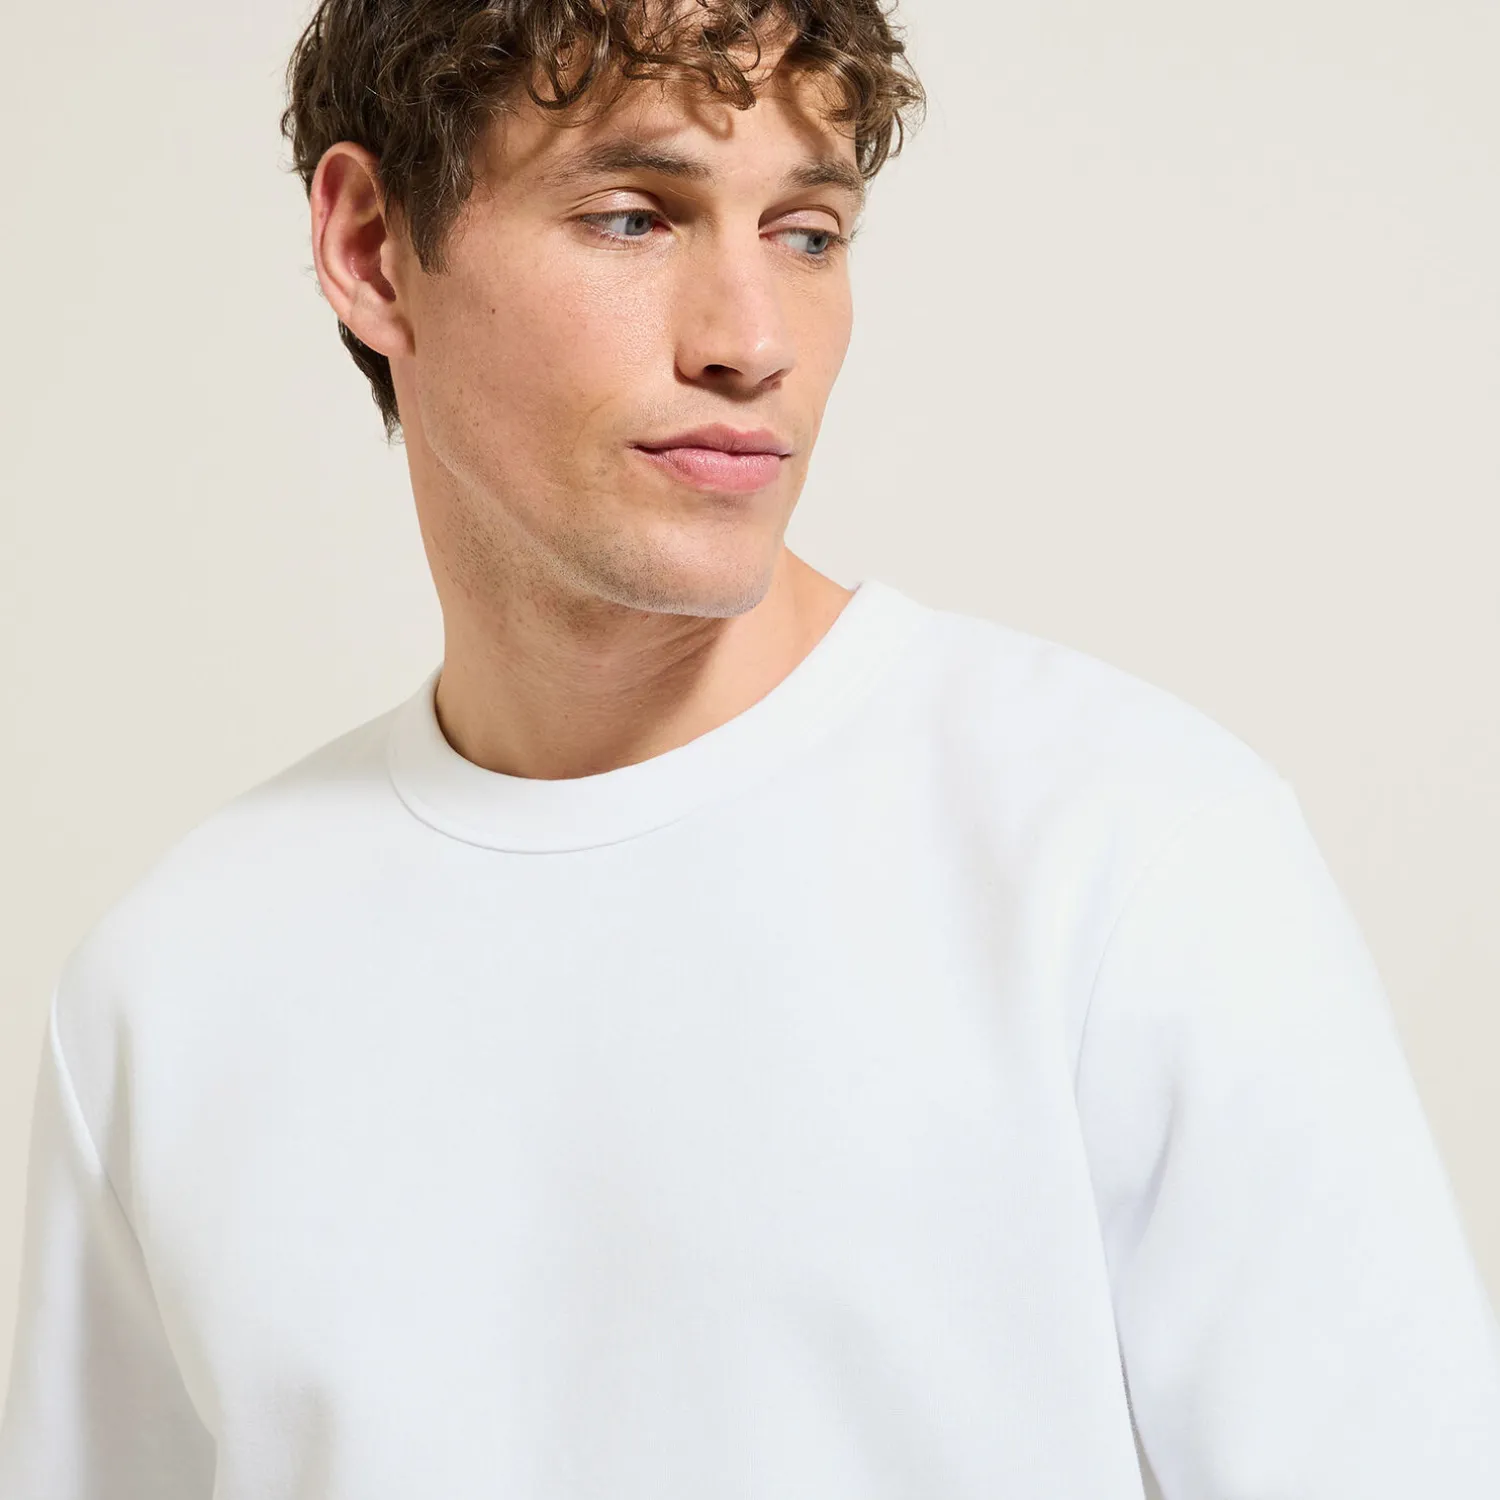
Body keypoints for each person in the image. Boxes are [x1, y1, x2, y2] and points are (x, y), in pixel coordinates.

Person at [3, 0, 1498, 1495]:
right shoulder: (167, 990)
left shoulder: (1127, 856)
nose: (753, 342)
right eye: (633, 217)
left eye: (806, 234)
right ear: (373, 250)